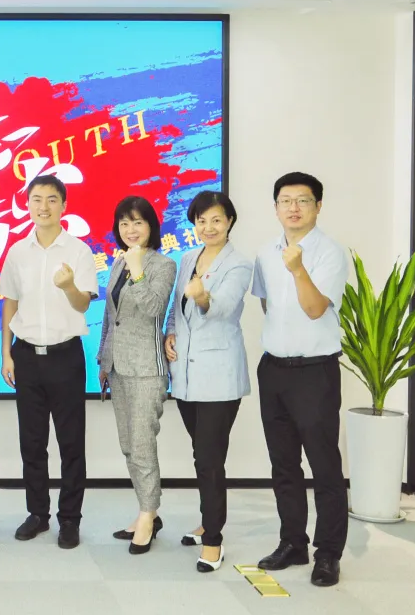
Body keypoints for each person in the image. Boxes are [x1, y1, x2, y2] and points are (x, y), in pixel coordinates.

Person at [251, 172, 348, 587]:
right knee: (284, 464)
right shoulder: (265, 252)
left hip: (314, 372)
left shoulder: (329, 253)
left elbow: (314, 309)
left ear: (318, 206)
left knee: (324, 466)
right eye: (285, 200)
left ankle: (328, 554)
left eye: (303, 200)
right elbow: (267, 305)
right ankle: (293, 542)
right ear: (275, 208)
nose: (293, 208)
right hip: (274, 370)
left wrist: (298, 269)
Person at [0, 175, 98, 549]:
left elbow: (83, 304)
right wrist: (6, 353)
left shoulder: (79, 251)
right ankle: (38, 514)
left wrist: (69, 286)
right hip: (26, 356)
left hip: (65, 357)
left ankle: (70, 519)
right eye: (37, 199)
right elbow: (10, 301)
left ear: (64, 205)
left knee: (71, 443)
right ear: (27, 205)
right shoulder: (17, 252)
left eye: (52, 199)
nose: (44, 206)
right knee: (32, 442)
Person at [164, 191, 253, 573]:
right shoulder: (188, 258)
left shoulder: (239, 264)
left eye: (216, 219)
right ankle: (208, 521)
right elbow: (176, 307)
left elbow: (223, 307)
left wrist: (203, 297)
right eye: (201, 220)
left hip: (219, 376)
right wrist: (169, 333)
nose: (209, 227)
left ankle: (213, 540)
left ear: (230, 221)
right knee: (202, 455)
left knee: (210, 459)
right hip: (185, 373)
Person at [97, 196, 177, 555]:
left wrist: (138, 270)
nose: (130, 230)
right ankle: (148, 511)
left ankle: (148, 515)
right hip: (118, 367)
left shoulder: (164, 264)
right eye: (124, 223)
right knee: (129, 445)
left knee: (143, 446)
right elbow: (109, 316)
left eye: (138, 222)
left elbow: (154, 308)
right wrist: (104, 361)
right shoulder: (118, 262)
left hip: (146, 369)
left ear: (151, 227)